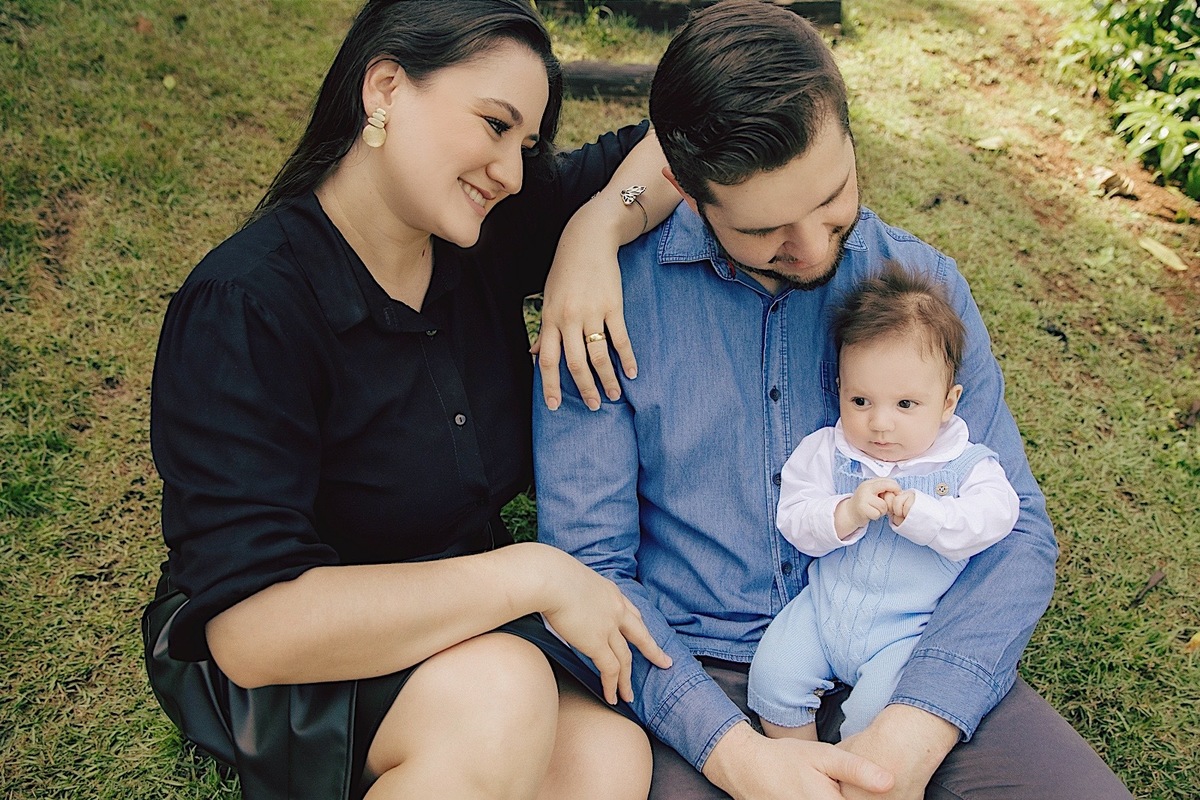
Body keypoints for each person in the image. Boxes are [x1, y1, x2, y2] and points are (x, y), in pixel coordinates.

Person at [533, 1, 1134, 798]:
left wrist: (909, 736)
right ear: (683, 188)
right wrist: (736, 756)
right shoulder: (606, 310)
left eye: (834, 196)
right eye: (767, 230)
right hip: (700, 678)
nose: (814, 249)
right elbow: (590, 573)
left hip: (913, 649)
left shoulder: (923, 289)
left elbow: (1015, 534)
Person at [141, 2, 676, 799]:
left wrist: (593, 232)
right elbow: (252, 632)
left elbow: (679, 133)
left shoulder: (485, 229)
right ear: (385, 88)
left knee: (609, 759)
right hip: (292, 651)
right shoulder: (246, 304)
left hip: (449, 620)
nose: (512, 171)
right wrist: (534, 574)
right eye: (494, 125)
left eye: (525, 145)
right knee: (504, 689)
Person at [746, 262, 1020, 743]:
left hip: (905, 630)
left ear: (948, 402)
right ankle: (799, 759)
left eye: (905, 405)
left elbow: (996, 516)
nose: (880, 424)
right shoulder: (829, 451)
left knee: (879, 715)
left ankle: (852, 766)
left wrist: (925, 515)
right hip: (822, 610)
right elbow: (794, 516)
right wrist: (844, 512)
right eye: (860, 401)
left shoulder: (968, 465)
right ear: (842, 392)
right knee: (773, 676)